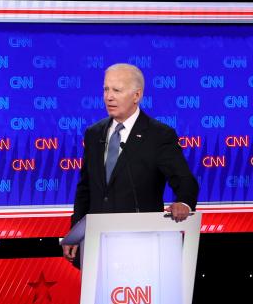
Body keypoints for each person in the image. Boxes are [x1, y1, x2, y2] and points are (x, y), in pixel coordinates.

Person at [62, 63, 198, 262]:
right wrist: (75, 233)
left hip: (141, 245)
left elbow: (185, 180)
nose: (109, 96)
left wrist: (184, 203)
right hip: (98, 244)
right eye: (106, 89)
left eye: (117, 90)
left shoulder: (159, 135)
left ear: (137, 95)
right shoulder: (94, 134)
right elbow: (85, 189)